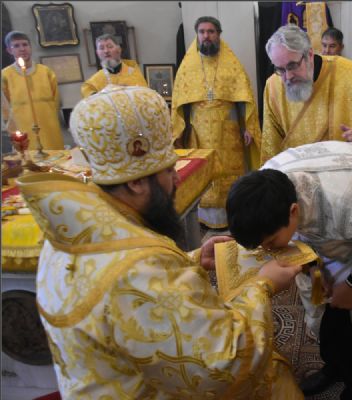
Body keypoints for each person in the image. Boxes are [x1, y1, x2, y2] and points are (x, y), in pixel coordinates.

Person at [18, 85, 303, 399]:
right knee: (276, 380)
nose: (177, 179)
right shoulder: (139, 266)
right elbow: (226, 366)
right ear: (138, 183)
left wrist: (192, 260)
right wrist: (261, 286)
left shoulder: (72, 230)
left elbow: (123, 290)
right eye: (169, 171)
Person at [226, 141, 352, 399]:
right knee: (321, 304)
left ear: (294, 211)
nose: (269, 251)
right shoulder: (266, 190)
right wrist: (314, 268)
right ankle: (333, 366)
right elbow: (297, 240)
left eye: (271, 242)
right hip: (331, 236)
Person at [172, 16, 261, 230]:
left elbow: (244, 98)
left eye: (211, 32)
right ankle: (207, 221)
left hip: (228, 131)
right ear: (197, 35)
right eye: (202, 32)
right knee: (205, 172)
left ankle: (233, 217)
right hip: (199, 131)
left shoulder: (231, 63)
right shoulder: (188, 66)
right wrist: (180, 132)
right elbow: (179, 104)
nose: (206, 36)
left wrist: (248, 127)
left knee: (230, 174)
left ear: (218, 34)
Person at [261, 24, 352, 165]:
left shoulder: (351, 75)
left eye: (293, 66)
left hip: (346, 170)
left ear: (309, 55)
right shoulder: (273, 87)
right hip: (297, 172)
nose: (288, 76)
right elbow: (271, 145)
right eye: (280, 69)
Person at [1, 31, 63, 150]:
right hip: (23, 128)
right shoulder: (5, 75)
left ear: (30, 47)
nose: (22, 49)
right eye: (16, 46)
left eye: (25, 44)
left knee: (56, 156)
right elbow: (5, 106)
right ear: (9, 50)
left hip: (48, 126)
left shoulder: (46, 72)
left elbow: (55, 99)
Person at [80, 33, 147, 98]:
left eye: (110, 47)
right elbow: (91, 99)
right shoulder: (93, 82)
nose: (106, 51)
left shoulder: (133, 72)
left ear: (119, 49)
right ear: (97, 53)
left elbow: (145, 95)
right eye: (101, 48)